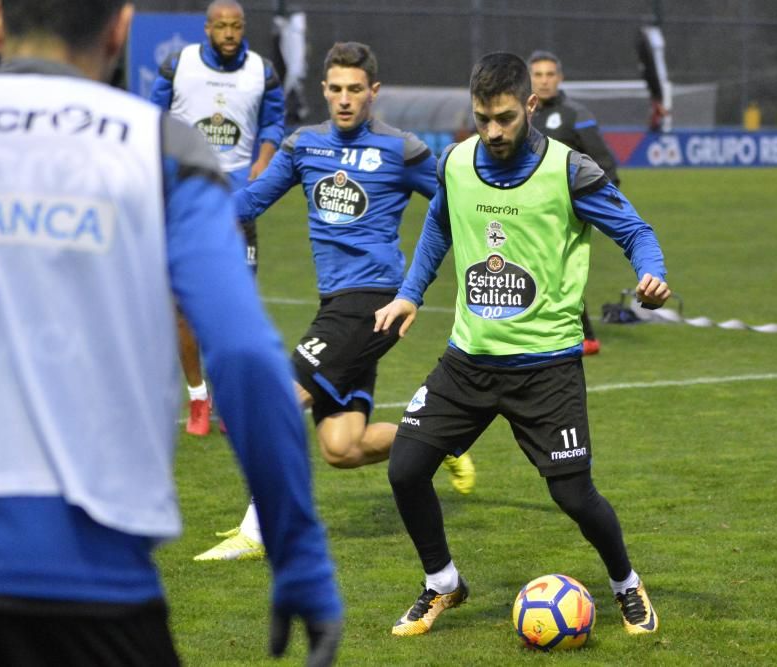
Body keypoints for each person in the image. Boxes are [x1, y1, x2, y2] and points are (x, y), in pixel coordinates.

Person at [0, 2, 341, 665]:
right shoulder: (158, 146)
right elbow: (241, 352)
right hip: (96, 584)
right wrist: (298, 558)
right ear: (120, 28)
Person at [374, 52, 670, 638]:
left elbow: (635, 229)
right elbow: (439, 224)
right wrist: (410, 293)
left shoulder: (568, 170)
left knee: (574, 496)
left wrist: (651, 272)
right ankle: (443, 584)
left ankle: (625, 584)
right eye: (482, 117)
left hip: (546, 369)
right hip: (468, 361)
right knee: (406, 469)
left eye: (505, 118)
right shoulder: (456, 162)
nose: (492, 131)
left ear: (530, 105)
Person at [193, 41, 476, 562]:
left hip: (374, 304)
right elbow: (253, 199)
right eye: (336, 89)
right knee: (342, 448)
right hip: (335, 306)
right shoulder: (304, 146)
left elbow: (455, 198)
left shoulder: (402, 149)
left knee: (279, 399)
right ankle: (440, 440)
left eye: (355, 90)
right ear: (324, 90)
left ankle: (256, 532)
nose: (345, 99)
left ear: (374, 92)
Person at [150, 0, 286, 436]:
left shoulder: (262, 72)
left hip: (238, 203)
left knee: (236, 306)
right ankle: (197, 398)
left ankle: (230, 398)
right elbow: (154, 118)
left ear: (243, 27)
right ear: (207, 29)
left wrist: (264, 159)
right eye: (221, 26)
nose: (229, 33)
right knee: (181, 309)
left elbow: (274, 122)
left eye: (236, 26)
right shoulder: (179, 65)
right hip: (185, 200)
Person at [528, 49, 621, 357]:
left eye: (549, 74)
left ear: (560, 78)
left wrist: (605, 201)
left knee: (555, 269)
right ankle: (565, 333)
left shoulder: (575, 114)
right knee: (541, 268)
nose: (544, 81)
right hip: (526, 207)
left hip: (565, 206)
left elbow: (603, 160)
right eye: (538, 75)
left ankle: (583, 336)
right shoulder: (521, 113)